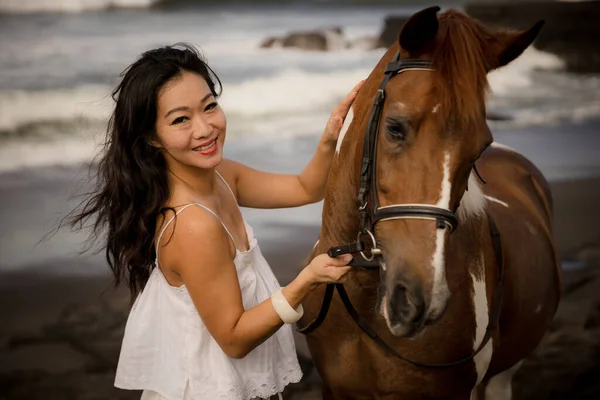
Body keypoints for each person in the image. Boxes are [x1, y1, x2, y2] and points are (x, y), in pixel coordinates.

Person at [68, 42, 363, 400]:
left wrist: (331, 137)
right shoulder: (194, 225)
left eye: (209, 106)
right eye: (181, 119)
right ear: (151, 138)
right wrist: (308, 280)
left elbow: (305, 188)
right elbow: (234, 339)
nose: (205, 128)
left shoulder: (222, 176)